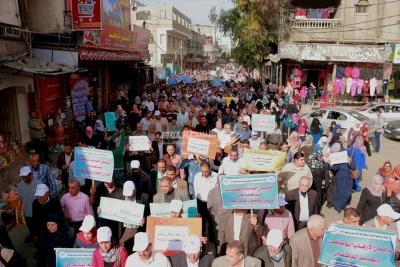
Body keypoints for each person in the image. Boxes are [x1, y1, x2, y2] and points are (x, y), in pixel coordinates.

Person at [16, 166, 41, 243]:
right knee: (30, 227)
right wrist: (19, 212)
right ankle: (32, 235)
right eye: (22, 177)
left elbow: (44, 198)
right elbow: (20, 199)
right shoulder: (20, 185)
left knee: (40, 229)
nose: (24, 179)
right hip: (27, 212)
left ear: (30, 174)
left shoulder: (38, 183)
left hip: (38, 212)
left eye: (26, 176)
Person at [331, 144, 356, 213]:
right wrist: (332, 164)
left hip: (348, 179)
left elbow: (353, 167)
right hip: (340, 180)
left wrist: (350, 161)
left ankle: (342, 205)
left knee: (347, 194)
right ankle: (338, 207)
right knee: (339, 193)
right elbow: (334, 169)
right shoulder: (337, 158)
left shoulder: (348, 156)